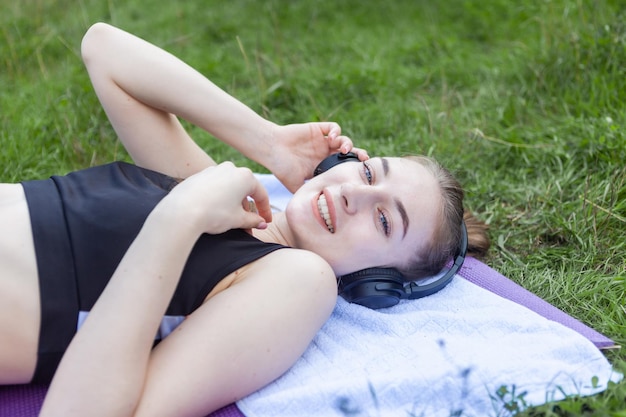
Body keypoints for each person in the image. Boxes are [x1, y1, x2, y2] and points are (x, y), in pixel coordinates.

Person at [0, 23, 489, 417]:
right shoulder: (223, 196)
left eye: (384, 221)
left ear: (374, 284)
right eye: (366, 170)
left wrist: (180, 217)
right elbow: (105, 49)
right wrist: (267, 140)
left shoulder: (296, 279)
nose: (352, 194)